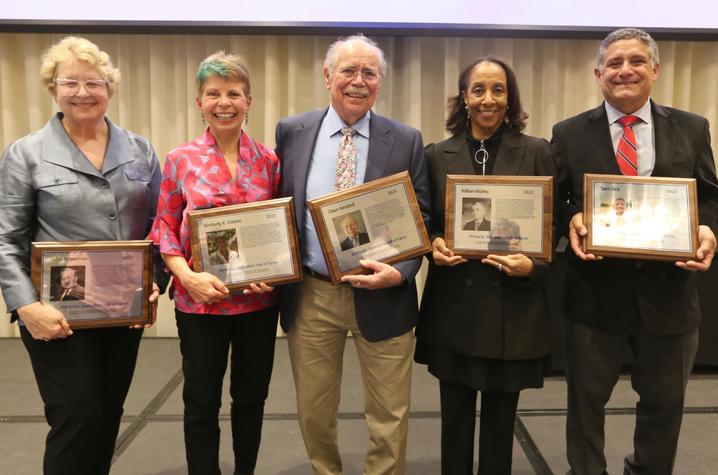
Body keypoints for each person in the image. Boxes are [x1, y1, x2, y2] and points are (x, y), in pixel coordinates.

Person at [552, 28, 718, 475]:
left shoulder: (692, 127)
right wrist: (570, 218)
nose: (625, 70)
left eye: (637, 61)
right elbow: (557, 200)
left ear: (655, 69)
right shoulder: (567, 134)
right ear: (598, 73)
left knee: (666, 406)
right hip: (594, 297)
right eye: (615, 63)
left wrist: (708, 229)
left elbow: (709, 196)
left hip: (670, 297)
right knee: (584, 407)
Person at [0, 36, 164, 475]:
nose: (82, 92)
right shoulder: (26, 154)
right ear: (52, 87)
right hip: (57, 316)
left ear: (109, 88)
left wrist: (154, 281)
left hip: (120, 312)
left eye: (94, 82)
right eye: (69, 82)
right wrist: (26, 306)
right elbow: (5, 239)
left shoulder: (141, 150)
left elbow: (159, 227)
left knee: (108, 414)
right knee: (76, 416)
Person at [275, 34, 430, 474]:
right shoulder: (292, 132)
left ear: (380, 82)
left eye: (369, 73)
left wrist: (399, 273)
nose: (358, 81)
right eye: (348, 70)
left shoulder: (405, 139)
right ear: (328, 76)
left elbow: (422, 216)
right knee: (314, 410)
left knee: (389, 414)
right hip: (313, 294)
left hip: (384, 294)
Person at [414, 56, 555, 475]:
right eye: (478, 90)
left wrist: (534, 267)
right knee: (453, 416)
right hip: (455, 307)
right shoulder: (437, 154)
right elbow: (423, 220)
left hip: (512, 309)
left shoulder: (537, 151)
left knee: (500, 418)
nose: (488, 99)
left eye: (498, 90)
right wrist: (433, 244)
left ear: (509, 98)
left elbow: (555, 230)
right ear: (464, 97)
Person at [149, 51, 280, 475]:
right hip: (200, 302)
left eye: (233, 93)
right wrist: (187, 276)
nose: (224, 102)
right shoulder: (180, 159)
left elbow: (278, 230)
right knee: (201, 401)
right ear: (198, 101)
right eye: (213, 93)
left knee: (251, 398)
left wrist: (273, 272)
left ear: (249, 101)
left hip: (257, 305)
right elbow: (164, 226)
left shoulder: (268, 160)